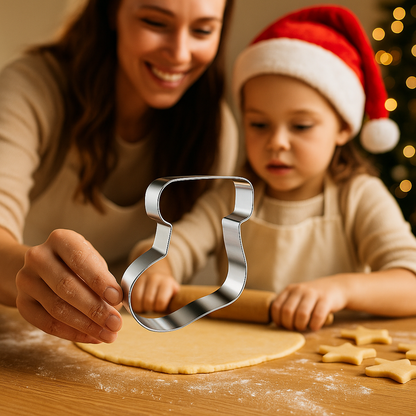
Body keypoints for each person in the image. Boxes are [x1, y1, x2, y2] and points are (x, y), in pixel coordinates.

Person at [132, 5, 416, 331]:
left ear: (342, 127)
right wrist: (158, 270)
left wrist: (340, 290)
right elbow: (175, 245)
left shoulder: (359, 196)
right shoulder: (233, 197)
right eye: (259, 124)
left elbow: (410, 281)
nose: (277, 142)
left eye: (301, 126)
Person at [0, 0, 237, 344]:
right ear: (112, 11)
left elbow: (188, 243)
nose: (180, 53)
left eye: (202, 30)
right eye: (156, 23)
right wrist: (26, 271)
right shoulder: (32, 88)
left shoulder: (213, 132)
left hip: (121, 337)